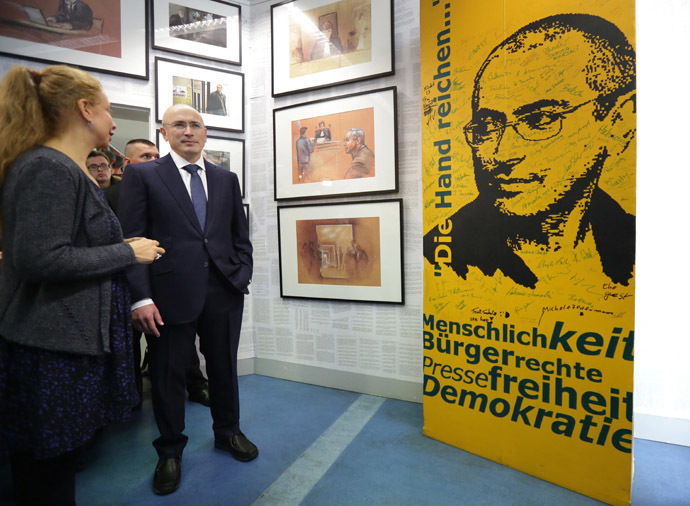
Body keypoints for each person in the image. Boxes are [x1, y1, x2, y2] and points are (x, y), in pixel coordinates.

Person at [0, 65, 164, 505]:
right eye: (109, 111)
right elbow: (40, 259)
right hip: (51, 349)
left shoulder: (58, 167)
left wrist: (122, 245)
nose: (113, 122)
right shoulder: (48, 168)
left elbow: (62, 245)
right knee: (46, 476)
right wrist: (129, 253)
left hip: (63, 345)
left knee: (55, 467)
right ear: (85, 110)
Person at [423, 14, 636, 289]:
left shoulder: (638, 244)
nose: (501, 154)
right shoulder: (439, 256)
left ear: (619, 123)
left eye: (540, 120)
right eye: (487, 127)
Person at [118, 104, 255, 496]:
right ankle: (170, 451)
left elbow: (238, 235)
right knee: (167, 375)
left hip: (224, 290)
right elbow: (132, 240)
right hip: (167, 293)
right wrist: (139, 298)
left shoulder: (225, 179)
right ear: (164, 132)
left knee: (224, 368)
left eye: (196, 124)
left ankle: (228, 432)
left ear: (206, 133)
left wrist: (241, 273)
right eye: (179, 124)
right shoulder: (143, 174)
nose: (189, 130)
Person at [111, 139, 211, 408]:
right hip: (125, 282)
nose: (154, 160)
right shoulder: (108, 195)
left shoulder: (172, 188)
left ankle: (195, 385)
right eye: (146, 155)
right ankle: (132, 396)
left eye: (156, 154)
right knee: (130, 345)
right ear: (127, 163)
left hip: (170, 282)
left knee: (180, 345)